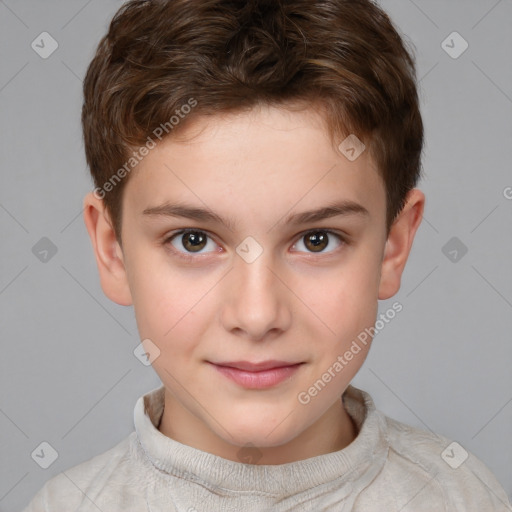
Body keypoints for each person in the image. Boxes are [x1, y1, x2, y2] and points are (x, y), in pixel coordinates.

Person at [23, 0, 512, 510]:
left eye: (317, 240)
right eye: (193, 240)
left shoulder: (463, 497)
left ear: (393, 246)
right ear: (113, 251)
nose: (257, 316)